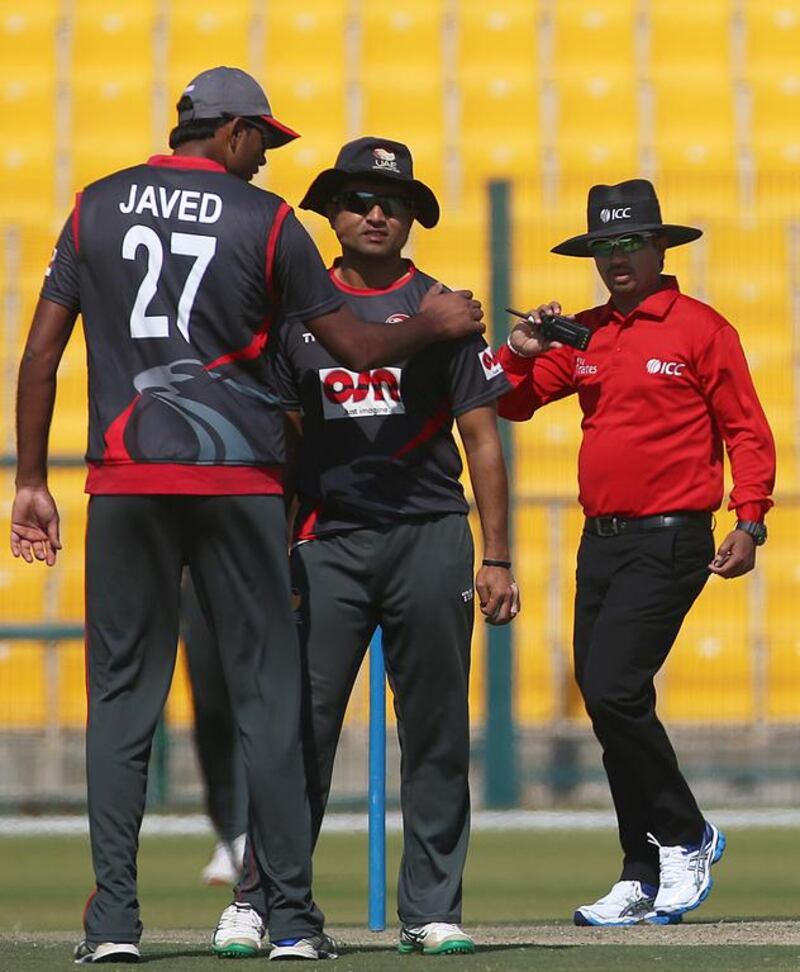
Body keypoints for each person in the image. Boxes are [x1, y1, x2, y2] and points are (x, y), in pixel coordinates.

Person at [10, 68, 483, 965]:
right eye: (263, 140)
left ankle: (113, 925)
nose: (266, 158)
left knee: (120, 703)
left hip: (125, 479)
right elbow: (359, 347)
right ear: (229, 133)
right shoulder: (265, 221)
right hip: (240, 484)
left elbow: (41, 354)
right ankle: (295, 925)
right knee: (270, 701)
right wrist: (435, 323)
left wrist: (31, 479)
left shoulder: (93, 206)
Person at [210, 136, 519, 959]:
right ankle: (261, 901)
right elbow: (278, 445)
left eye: (392, 202)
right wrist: (268, 555)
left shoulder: (449, 310)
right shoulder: (298, 319)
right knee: (296, 730)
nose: (375, 213)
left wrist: (497, 556)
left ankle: (433, 908)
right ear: (331, 216)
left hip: (429, 537)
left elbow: (483, 441)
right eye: (356, 201)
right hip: (325, 543)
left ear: (414, 217)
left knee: (436, 733)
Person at [495, 179, 775, 927]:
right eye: (603, 247)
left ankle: (688, 834)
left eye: (630, 244)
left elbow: (746, 429)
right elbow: (510, 401)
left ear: (659, 248)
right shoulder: (584, 334)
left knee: (614, 689)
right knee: (610, 699)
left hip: (673, 536)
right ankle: (640, 867)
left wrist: (750, 521)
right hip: (603, 541)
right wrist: (519, 349)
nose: (617, 259)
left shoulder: (701, 329)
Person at [181, 572, 247, 886]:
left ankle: (245, 833)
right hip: (200, 572)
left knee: (255, 709)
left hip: (255, 566)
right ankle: (228, 834)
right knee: (210, 710)